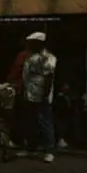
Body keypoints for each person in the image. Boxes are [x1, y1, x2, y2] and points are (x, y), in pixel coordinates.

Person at [20, 31, 58, 163]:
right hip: (30, 95)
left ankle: (49, 151)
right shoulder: (31, 57)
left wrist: (45, 96)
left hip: (41, 96)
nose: (29, 45)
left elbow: (48, 78)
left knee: (45, 123)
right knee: (31, 123)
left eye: (32, 43)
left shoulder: (48, 58)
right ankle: (31, 148)